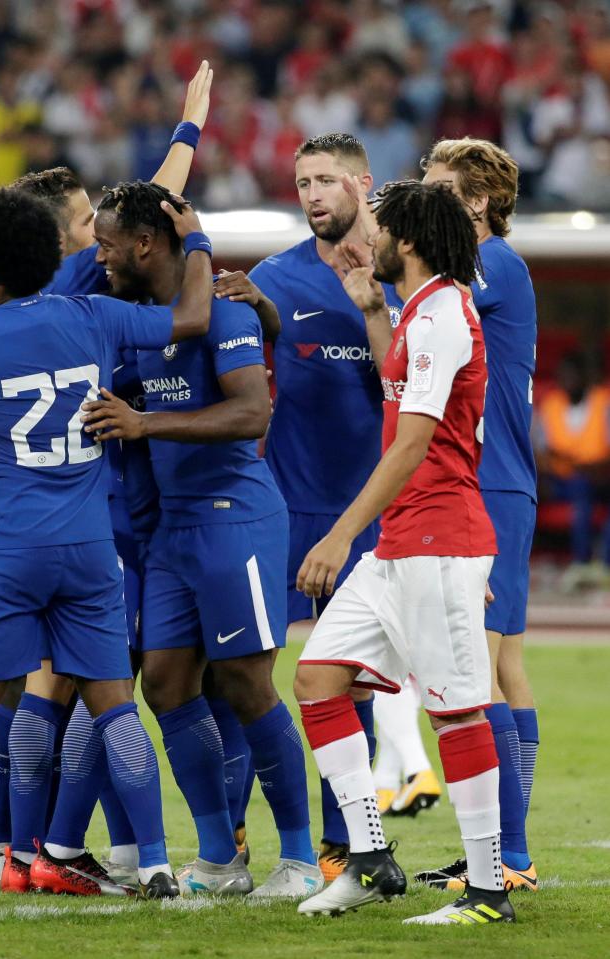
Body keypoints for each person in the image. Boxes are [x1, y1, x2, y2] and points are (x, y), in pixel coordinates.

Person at [0, 183, 213, 903]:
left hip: (7, 547)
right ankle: (158, 863)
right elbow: (193, 315)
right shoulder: (96, 313)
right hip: (89, 544)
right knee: (114, 705)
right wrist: (194, 242)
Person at [82, 180, 321, 900]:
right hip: (174, 529)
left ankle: (301, 857)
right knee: (163, 681)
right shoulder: (141, 320)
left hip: (234, 516)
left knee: (247, 683)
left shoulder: (222, 311)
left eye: (106, 243)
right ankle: (219, 856)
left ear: (146, 243)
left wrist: (145, 423)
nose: (98, 256)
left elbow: (252, 412)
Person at [213, 133, 438, 880]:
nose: (311, 194)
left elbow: (409, 398)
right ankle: (232, 845)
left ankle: (348, 847)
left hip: (372, 514)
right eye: (302, 181)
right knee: (243, 675)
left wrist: (372, 306)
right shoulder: (273, 278)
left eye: (326, 180)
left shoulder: (410, 276)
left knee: (356, 681)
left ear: (362, 184)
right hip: (281, 509)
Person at [293, 179, 515, 926]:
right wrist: (367, 307)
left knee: (455, 714)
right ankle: (369, 858)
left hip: (435, 537)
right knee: (320, 678)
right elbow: (404, 390)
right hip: (408, 542)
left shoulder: (447, 310)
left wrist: (339, 531)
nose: (371, 237)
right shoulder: (422, 309)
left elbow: (414, 440)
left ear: (409, 240)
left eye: (381, 228)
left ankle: (486, 893)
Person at [414, 138, 539, 893]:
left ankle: (506, 856)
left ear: (478, 202)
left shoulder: (493, 268)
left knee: (478, 669)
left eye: (438, 191)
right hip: (498, 483)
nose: (427, 203)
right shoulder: (485, 271)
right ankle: (510, 855)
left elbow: (424, 299)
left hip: (488, 485)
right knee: (504, 666)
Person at [535, 351, 610, 589]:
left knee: (587, 490)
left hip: (598, 477)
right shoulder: (550, 404)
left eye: (573, 376)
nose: (568, 381)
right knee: (579, 488)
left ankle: (602, 565)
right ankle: (580, 562)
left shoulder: (604, 402)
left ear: (586, 377)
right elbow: (542, 451)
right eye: (563, 376)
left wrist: (595, 468)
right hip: (560, 481)